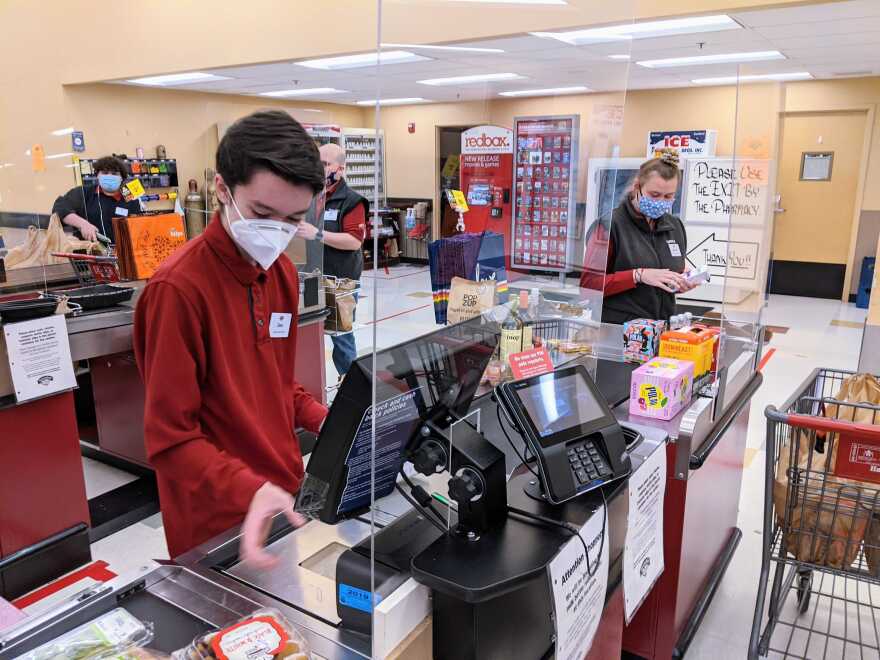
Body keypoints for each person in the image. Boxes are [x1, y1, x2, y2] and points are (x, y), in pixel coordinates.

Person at [133, 110, 329, 567]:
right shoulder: (177, 291)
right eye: (263, 213)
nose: (277, 232)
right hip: (217, 519)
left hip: (284, 494)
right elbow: (170, 440)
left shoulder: (281, 273)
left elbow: (276, 385)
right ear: (223, 190)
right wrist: (249, 489)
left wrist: (331, 418)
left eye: (293, 219)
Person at [580, 149, 696, 324]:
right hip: (618, 330)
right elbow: (589, 286)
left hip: (661, 328)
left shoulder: (674, 227)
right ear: (637, 188)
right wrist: (637, 275)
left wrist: (682, 282)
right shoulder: (609, 226)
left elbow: (666, 279)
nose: (660, 202)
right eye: (654, 195)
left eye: (668, 196)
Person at [299, 143, 368, 378]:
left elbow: (354, 241)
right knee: (308, 333)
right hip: (311, 278)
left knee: (341, 337)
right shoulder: (311, 197)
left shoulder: (352, 201)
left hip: (340, 281)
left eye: (326, 165)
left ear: (341, 168)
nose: (320, 170)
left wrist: (317, 234)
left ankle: (351, 389)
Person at [52, 155, 142, 242]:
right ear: (97, 175)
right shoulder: (84, 192)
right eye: (105, 173)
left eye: (114, 173)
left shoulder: (130, 196)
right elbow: (60, 208)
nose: (109, 176)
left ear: (122, 178)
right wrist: (83, 224)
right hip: (89, 252)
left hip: (121, 252)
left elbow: (138, 226)